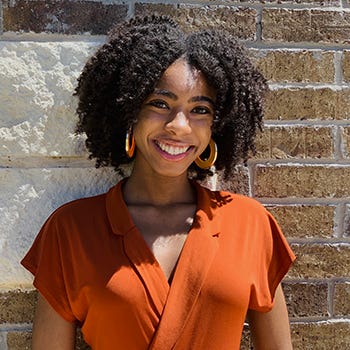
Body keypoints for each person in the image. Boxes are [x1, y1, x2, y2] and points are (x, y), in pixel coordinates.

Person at [21, 15, 296, 350]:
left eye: (200, 110)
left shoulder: (250, 224)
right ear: (128, 112)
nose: (179, 126)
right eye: (160, 104)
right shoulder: (71, 230)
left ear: (216, 127)